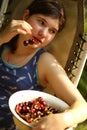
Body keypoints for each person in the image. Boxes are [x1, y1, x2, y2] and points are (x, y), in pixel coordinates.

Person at [0, 0, 87, 130]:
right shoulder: (4, 40)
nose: (43, 34)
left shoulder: (45, 62)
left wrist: (65, 118)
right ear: (26, 16)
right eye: (41, 22)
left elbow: (82, 107)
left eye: (52, 31)